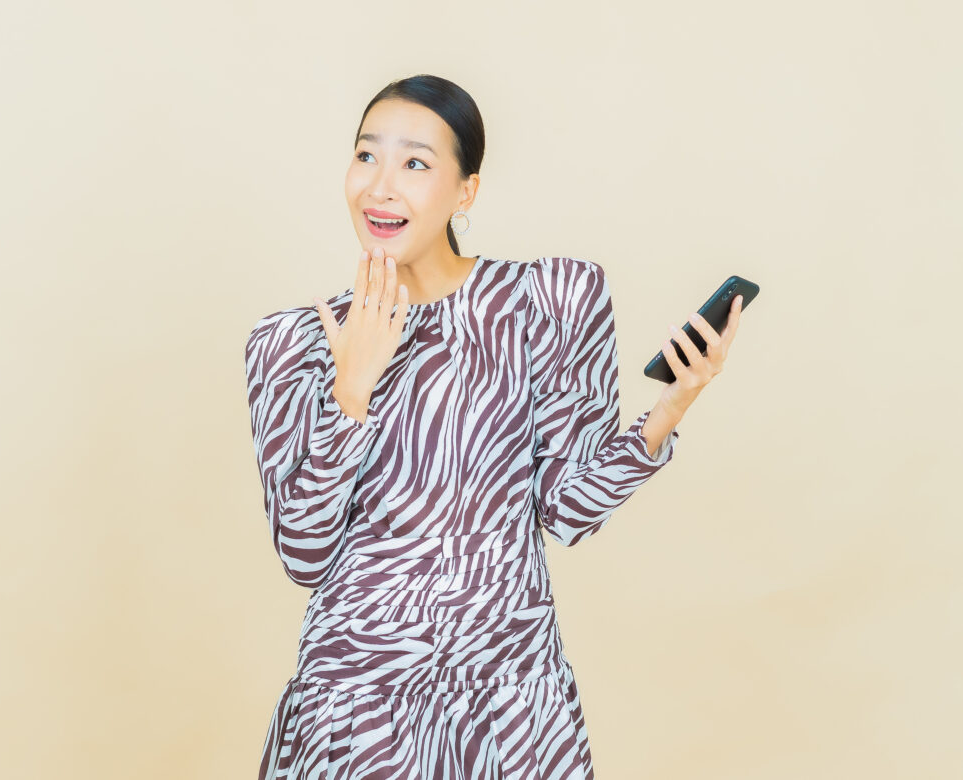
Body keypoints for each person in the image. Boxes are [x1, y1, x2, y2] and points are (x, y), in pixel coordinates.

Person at [244, 74, 742, 780]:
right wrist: (351, 388)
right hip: (358, 708)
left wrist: (673, 404)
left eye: (415, 163)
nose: (381, 187)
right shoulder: (290, 343)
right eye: (366, 156)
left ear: (466, 192)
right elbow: (303, 553)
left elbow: (567, 510)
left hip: (510, 704)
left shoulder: (549, 302)